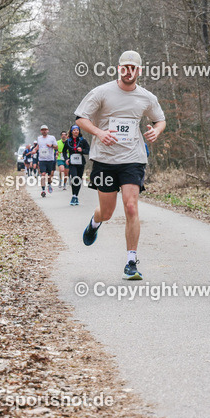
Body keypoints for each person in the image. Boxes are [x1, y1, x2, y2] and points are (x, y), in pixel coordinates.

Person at [75, 50, 166, 281]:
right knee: (107, 212)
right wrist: (99, 132)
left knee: (131, 207)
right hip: (105, 160)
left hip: (133, 159)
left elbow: (160, 119)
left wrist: (156, 130)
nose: (129, 72)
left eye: (133, 68)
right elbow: (80, 117)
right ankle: (95, 223)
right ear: (118, 68)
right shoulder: (102, 92)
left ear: (139, 71)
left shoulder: (146, 97)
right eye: (125, 67)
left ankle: (131, 262)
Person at [63, 124, 90, 206]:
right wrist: (66, 159)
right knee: (74, 178)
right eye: (74, 130)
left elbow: (88, 150)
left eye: (77, 130)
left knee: (78, 179)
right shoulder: (68, 141)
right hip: (72, 163)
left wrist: (82, 150)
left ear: (79, 131)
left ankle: (75, 196)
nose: (76, 131)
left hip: (81, 163)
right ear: (71, 131)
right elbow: (64, 151)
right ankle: (74, 195)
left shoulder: (82, 140)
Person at [35, 125, 57, 197]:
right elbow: (38, 146)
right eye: (42, 130)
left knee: (50, 175)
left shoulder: (52, 138)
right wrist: (34, 150)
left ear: (48, 130)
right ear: (41, 131)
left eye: (45, 130)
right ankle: (43, 190)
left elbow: (56, 147)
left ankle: (49, 184)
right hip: (42, 159)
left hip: (50, 159)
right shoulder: (39, 138)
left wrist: (51, 146)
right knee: (43, 174)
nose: (44, 131)